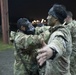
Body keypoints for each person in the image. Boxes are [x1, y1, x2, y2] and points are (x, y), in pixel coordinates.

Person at [36, 4, 72, 75]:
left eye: (49, 15)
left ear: (55, 18)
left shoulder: (61, 32)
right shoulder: (54, 30)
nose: (47, 17)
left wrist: (52, 50)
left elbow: (58, 42)